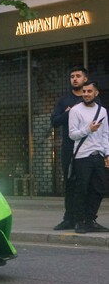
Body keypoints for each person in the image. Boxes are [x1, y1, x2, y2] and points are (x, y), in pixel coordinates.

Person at [68, 81, 109, 234]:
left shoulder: (102, 111)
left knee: (99, 189)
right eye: (84, 91)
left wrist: (107, 154)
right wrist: (88, 129)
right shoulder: (76, 111)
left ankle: (90, 219)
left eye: (89, 91)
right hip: (82, 156)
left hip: (98, 155)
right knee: (81, 189)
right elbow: (72, 134)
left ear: (96, 93)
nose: (86, 94)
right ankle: (79, 221)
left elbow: (105, 135)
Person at [51, 66, 87, 230]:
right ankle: (69, 218)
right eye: (72, 76)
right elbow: (54, 121)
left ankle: (84, 218)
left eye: (78, 76)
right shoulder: (64, 100)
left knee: (86, 184)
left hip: (88, 149)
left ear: (85, 79)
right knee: (70, 183)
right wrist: (69, 113)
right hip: (68, 148)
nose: (75, 79)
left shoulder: (90, 98)